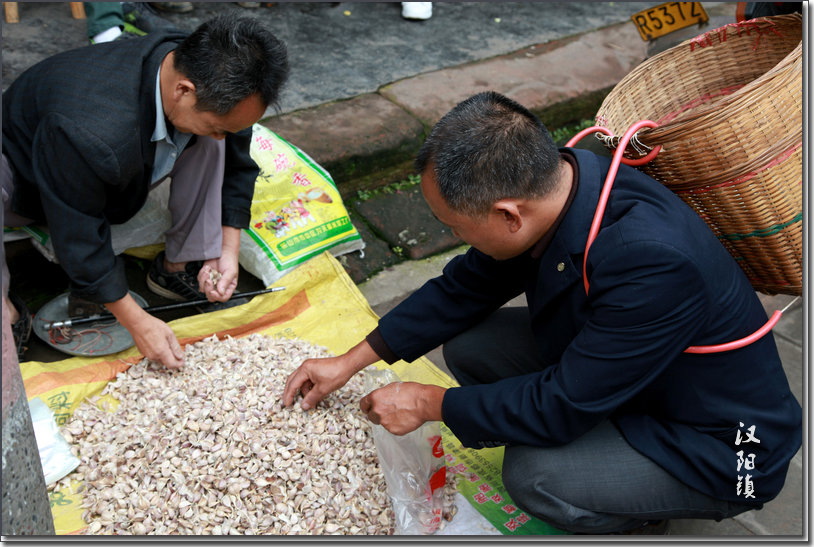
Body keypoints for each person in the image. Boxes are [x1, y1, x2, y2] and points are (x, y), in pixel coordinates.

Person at [283, 92, 802, 534]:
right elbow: (462, 289)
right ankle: (600, 449)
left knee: (534, 475)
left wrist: (427, 401)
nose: (457, 240)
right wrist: (346, 363)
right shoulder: (564, 182)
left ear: (509, 214)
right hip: (630, 378)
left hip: (717, 443)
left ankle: (638, 513)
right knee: (472, 346)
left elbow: (563, 404)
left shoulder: (653, 260)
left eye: (457, 228)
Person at [2, 14, 289, 367]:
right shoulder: (89, 132)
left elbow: (237, 157)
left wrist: (226, 249)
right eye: (217, 126)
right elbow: (76, 231)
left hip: (90, 160)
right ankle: (8, 313)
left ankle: (178, 265)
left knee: (216, 144)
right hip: (21, 176)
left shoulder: (203, 68)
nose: (223, 134)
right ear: (183, 91)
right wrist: (136, 321)